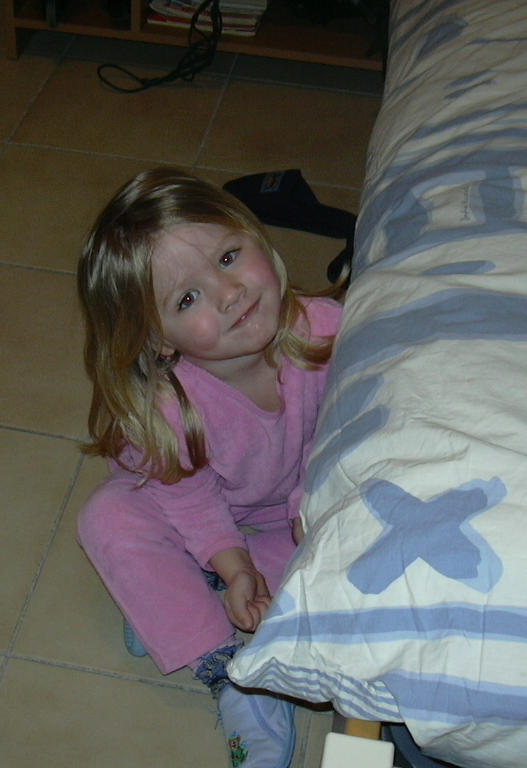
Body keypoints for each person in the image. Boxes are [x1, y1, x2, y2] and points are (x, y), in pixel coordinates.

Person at [76, 167, 342, 768]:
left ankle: (172, 599)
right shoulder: (169, 410)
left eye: (227, 257)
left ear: (255, 236)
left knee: (349, 549)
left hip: (288, 516)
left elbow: (349, 435)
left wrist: (306, 505)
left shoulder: (329, 332)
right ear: (159, 341)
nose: (228, 294)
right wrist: (232, 561)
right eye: (187, 299)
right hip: (189, 506)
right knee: (107, 515)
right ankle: (229, 677)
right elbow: (190, 499)